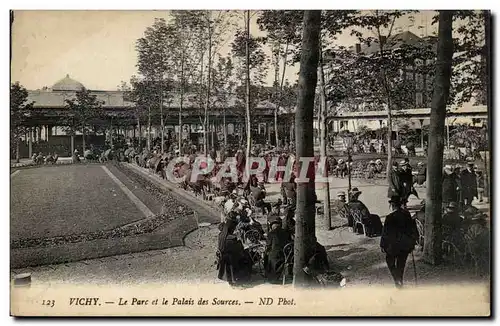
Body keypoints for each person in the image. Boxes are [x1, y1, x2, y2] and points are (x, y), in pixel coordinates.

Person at [380, 196, 419, 289]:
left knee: (390, 261)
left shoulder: (390, 217)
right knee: (401, 264)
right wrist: (413, 242)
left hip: (393, 247)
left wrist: (382, 245)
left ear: (392, 205)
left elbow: (385, 233)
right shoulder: (407, 214)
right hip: (405, 246)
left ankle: (397, 279)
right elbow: (413, 229)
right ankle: (399, 279)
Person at [216, 216, 253, 285]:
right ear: (231, 228)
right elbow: (240, 251)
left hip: (223, 260)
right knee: (248, 256)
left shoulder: (221, 235)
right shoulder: (232, 239)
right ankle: (244, 277)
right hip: (231, 261)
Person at [264, 216, 292, 283]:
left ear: (273, 225)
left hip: (276, 257)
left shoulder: (271, 233)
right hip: (287, 256)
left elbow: (268, 246)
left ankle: (268, 275)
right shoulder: (286, 232)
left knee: (266, 255)